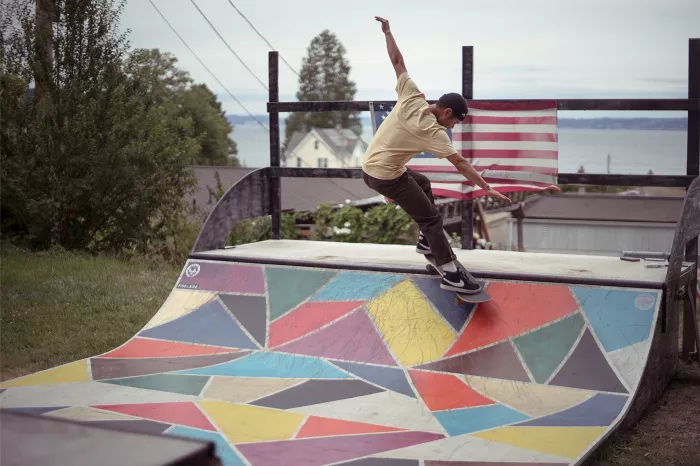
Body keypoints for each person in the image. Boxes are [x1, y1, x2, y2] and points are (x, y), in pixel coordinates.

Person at [362, 16, 512, 294]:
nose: (453, 127)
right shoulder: (434, 132)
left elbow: (397, 61)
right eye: (455, 122)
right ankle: (452, 273)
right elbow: (461, 163)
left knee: (423, 183)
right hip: (386, 177)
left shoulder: (412, 95)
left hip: (371, 169)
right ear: (446, 113)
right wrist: (486, 187)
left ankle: (425, 242)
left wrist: (388, 31)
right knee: (432, 219)